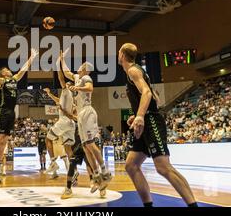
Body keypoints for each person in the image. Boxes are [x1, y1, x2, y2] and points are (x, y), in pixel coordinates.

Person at [118, 43, 197, 207]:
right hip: (146, 120)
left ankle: (193, 205)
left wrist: (141, 115)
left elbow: (147, 93)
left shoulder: (133, 70)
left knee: (163, 167)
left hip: (151, 121)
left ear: (122, 55)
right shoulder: (136, 71)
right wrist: (136, 114)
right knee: (131, 166)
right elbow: (155, 98)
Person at [0, 48, 38, 183]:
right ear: (3, 73)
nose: (9, 70)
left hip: (12, 113)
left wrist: (32, 57)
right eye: (6, 70)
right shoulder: (1, 80)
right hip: (3, 111)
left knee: (4, 141)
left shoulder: (15, 79)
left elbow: (24, 69)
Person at [61, 50, 112, 193]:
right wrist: (61, 59)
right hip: (81, 115)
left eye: (81, 65)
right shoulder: (78, 77)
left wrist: (76, 88)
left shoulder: (86, 78)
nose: (78, 67)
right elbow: (66, 73)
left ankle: (105, 172)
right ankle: (96, 176)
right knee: (85, 147)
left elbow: (90, 88)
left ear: (85, 69)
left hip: (88, 112)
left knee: (90, 144)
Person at [44, 55, 76, 177]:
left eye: (66, 84)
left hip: (64, 121)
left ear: (68, 86)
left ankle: (53, 163)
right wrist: (49, 94)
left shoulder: (66, 91)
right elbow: (58, 101)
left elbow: (61, 78)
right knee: (68, 148)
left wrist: (58, 65)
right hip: (71, 124)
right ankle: (74, 171)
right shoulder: (69, 97)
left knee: (48, 139)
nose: (64, 85)